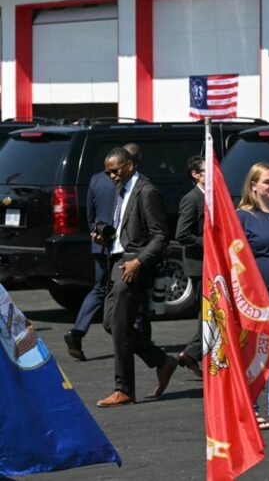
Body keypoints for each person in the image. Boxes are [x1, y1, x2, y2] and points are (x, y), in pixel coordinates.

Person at [96, 145, 178, 407]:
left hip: (134, 266)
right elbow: (126, 229)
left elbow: (160, 235)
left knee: (119, 325)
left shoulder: (147, 190)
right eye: (107, 172)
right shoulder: (123, 189)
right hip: (117, 262)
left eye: (114, 171)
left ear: (129, 165)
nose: (111, 176)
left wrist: (139, 261)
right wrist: (106, 236)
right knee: (110, 323)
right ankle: (161, 360)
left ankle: (124, 389)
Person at [65, 144, 142, 361]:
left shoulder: (97, 179)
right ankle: (137, 338)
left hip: (100, 242)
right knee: (128, 292)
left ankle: (77, 331)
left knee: (99, 289)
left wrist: (96, 233)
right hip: (124, 248)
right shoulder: (134, 183)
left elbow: (89, 215)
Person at [235, 162, 269, 425]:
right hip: (254, 300)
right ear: (253, 185)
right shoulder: (243, 217)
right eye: (267, 182)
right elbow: (235, 258)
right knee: (254, 355)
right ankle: (251, 407)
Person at [174, 155, 205, 377]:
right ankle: (191, 352)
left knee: (211, 313)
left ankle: (193, 354)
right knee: (211, 313)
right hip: (200, 265)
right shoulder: (191, 199)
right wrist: (208, 244)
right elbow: (182, 234)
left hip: (211, 265)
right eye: (206, 171)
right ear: (195, 174)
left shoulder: (212, 196)